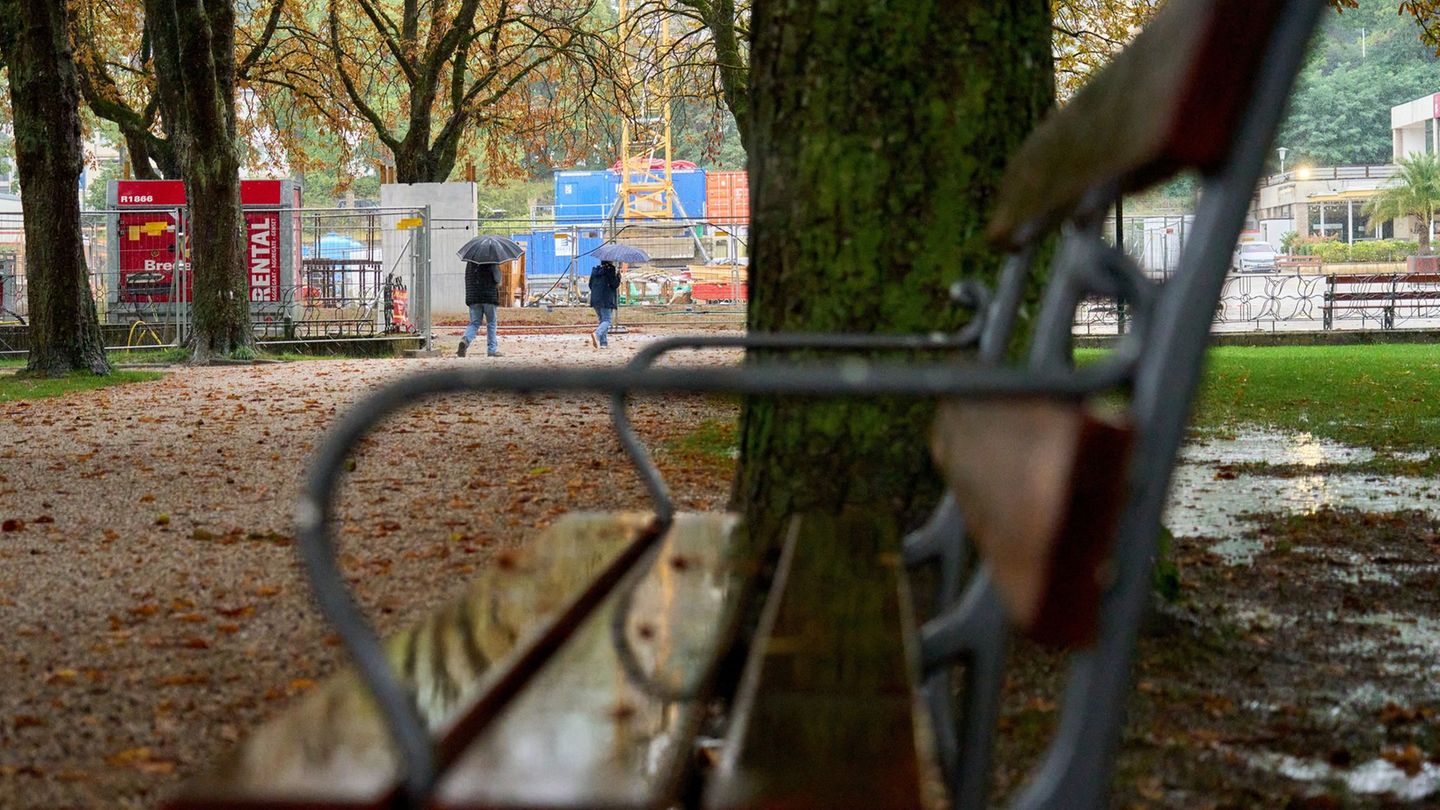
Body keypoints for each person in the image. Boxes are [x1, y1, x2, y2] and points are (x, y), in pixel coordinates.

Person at [458, 261, 501, 357]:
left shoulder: (470, 262)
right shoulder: (492, 260)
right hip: (489, 297)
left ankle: (465, 340)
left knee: (474, 323)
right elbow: (497, 278)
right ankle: (492, 350)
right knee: (491, 323)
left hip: (474, 297)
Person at [588, 260, 621, 348]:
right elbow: (614, 284)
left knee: (602, 320)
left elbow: (590, 285)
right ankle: (597, 334)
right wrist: (618, 277)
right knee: (607, 320)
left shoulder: (595, 270)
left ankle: (603, 343)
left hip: (595, 299)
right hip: (605, 299)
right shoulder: (610, 270)